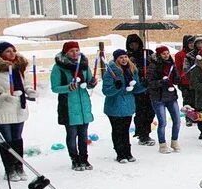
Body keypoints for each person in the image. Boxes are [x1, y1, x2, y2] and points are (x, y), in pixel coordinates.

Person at [0, 41, 37, 180]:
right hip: (2, 109)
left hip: (18, 108)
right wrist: (2, 96)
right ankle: (10, 169)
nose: (12, 53)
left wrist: (30, 91)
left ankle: (19, 166)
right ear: (0, 54)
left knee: (17, 139)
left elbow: (27, 83)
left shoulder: (19, 66)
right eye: (8, 51)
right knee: (7, 140)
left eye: (13, 50)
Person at [50, 41, 96, 171]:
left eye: (77, 50)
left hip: (83, 106)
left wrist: (91, 83)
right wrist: (68, 87)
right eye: (71, 51)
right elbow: (55, 87)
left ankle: (84, 158)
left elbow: (88, 82)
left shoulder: (84, 65)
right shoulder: (58, 67)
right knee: (72, 135)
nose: (75, 53)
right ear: (65, 53)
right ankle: (75, 159)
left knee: (83, 135)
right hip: (68, 106)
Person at [101, 49, 140, 163]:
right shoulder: (110, 72)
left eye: (125, 57)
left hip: (128, 105)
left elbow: (136, 88)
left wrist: (144, 85)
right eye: (120, 58)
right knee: (118, 130)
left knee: (126, 130)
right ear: (116, 59)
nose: (124, 59)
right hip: (115, 106)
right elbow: (106, 91)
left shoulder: (132, 70)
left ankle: (128, 152)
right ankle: (120, 154)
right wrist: (117, 87)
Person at [146, 45, 181, 153]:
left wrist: (177, 78)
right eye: (163, 54)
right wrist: (161, 82)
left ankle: (174, 141)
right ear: (159, 55)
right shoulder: (153, 66)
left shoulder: (171, 64)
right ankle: (162, 144)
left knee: (177, 120)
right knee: (163, 122)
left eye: (167, 53)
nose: (166, 55)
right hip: (158, 97)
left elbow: (175, 80)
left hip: (171, 96)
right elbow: (150, 82)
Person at [125, 34, 156, 146]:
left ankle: (146, 131)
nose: (134, 46)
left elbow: (155, 64)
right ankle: (143, 134)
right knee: (141, 112)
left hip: (150, 87)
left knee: (151, 112)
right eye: (131, 44)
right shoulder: (127, 56)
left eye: (136, 43)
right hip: (137, 89)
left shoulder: (147, 53)